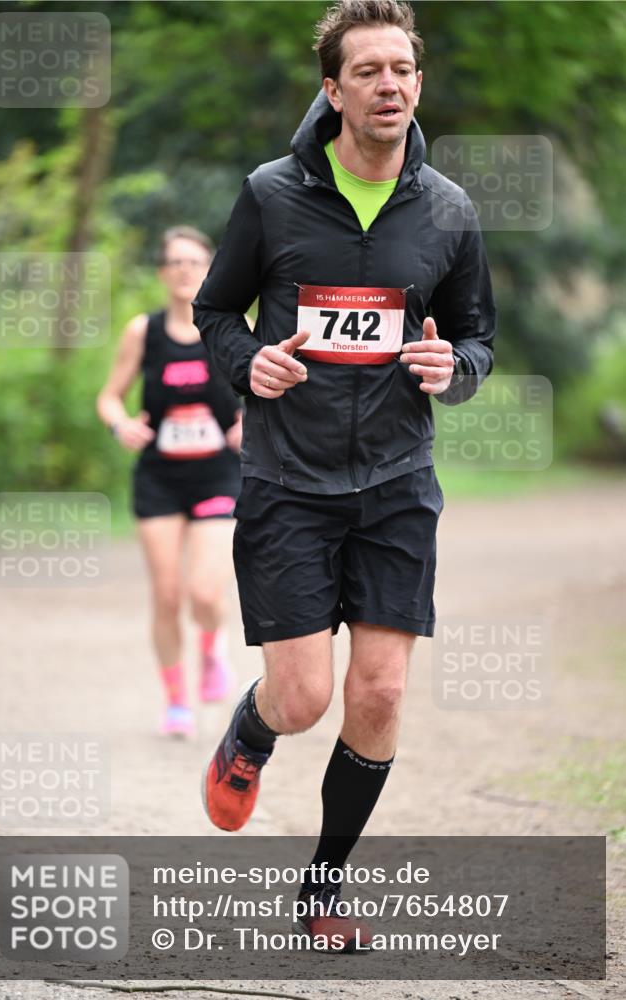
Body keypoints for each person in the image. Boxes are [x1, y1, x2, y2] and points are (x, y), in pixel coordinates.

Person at [194, 0, 496, 950]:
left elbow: (476, 334)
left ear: (418, 84)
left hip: (397, 482)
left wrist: (459, 369)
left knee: (378, 694)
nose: (390, 85)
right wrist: (252, 363)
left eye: (402, 69)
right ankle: (249, 734)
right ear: (332, 91)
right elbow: (214, 314)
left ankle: (322, 886)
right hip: (288, 478)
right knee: (304, 700)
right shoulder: (273, 193)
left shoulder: (447, 210)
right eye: (367, 71)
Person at [97, 226, 243, 737]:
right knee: (166, 596)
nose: (185, 271)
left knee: (204, 593)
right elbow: (110, 396)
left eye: (195, 262)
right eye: (175, 262)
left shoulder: (228, 327)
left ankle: (210, 648)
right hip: (159, 477)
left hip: (218, 474)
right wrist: (121, 424)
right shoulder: (145, 331)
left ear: (210, 269)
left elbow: (264, 386)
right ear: (162, 273)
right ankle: (176, 699)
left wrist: (250, 422)